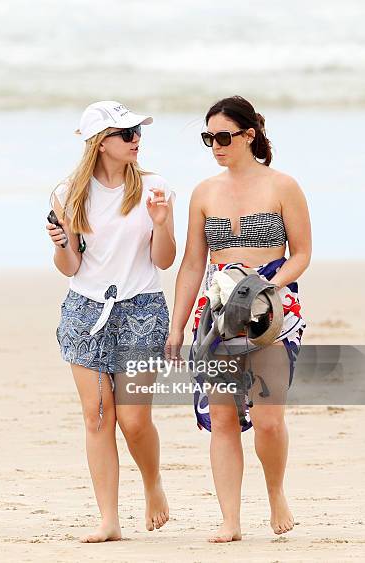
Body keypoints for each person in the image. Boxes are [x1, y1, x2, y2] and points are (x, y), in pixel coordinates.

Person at [165, 96, 311, 542]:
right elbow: (192, 263)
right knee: (224, 419)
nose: (216, 146)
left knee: (268, 419)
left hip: (271, 309)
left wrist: (269, 286)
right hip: (217, 307)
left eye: (224, 136)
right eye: (209, 138)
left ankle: (276, 493)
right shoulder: (204, 192)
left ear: (250, 135)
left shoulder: (283, 186)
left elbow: (301, 253)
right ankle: (230, 520)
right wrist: (177, 325)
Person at [48, 101, 176, 542]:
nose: (136, 139)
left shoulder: (155, 187)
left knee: (134, 420)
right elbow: (68, 267)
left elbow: (165, 259)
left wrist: (161, 224)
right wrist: (62, 242)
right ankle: (109, 519)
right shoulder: (67, 193)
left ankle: (153, 484)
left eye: (138, 131)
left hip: (142, 307)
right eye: (126, 133)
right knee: (97, 417)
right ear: (101, 143)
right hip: (84, 309)